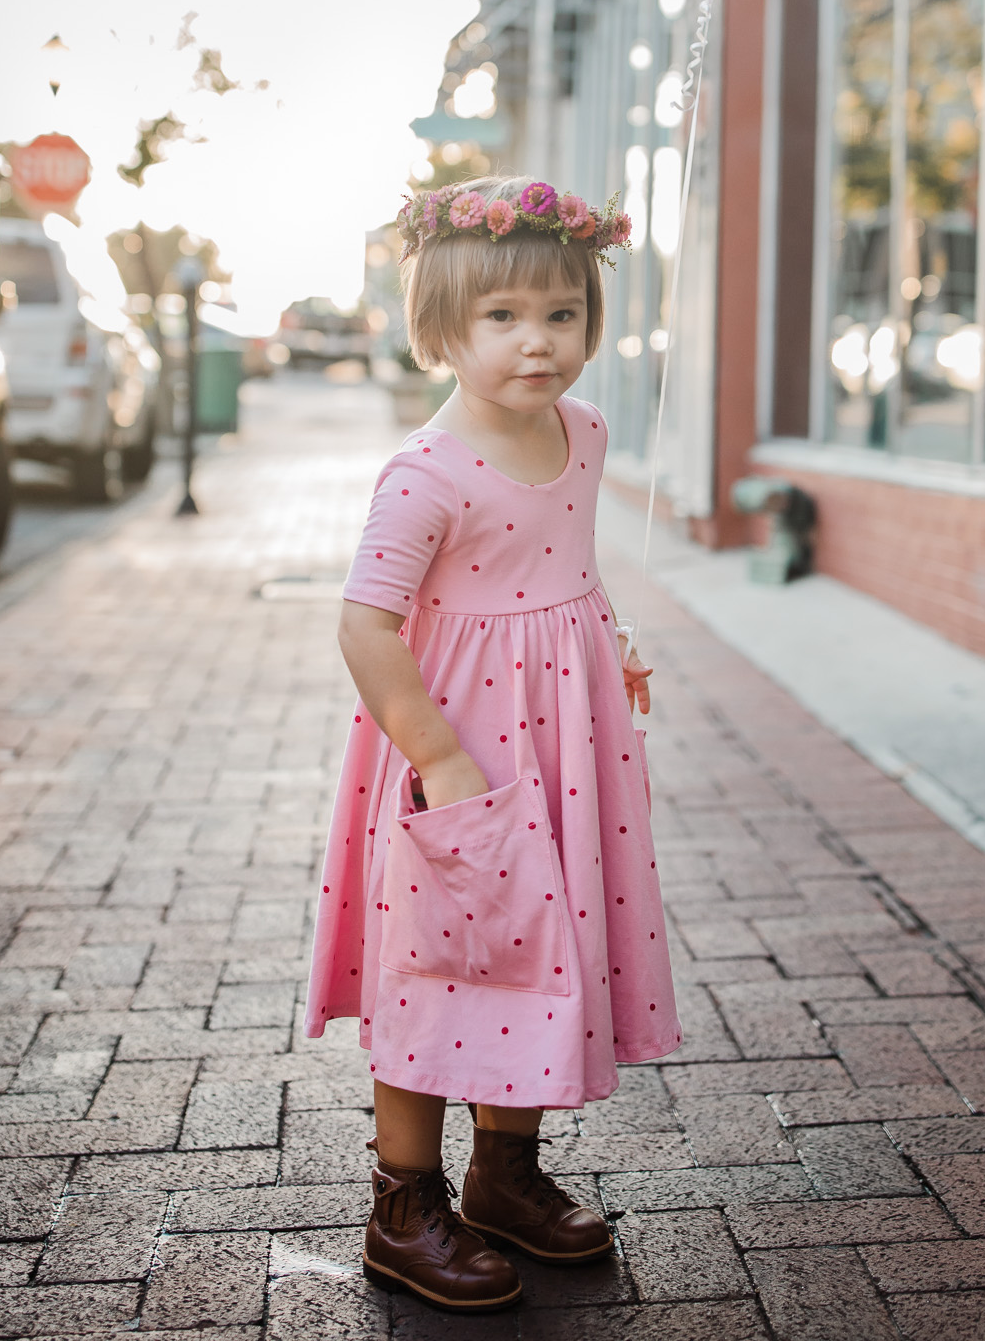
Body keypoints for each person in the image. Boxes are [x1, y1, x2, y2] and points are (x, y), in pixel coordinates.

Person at [304, 174, 681, 1312]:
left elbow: (566, 561)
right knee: (439, 958)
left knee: (537, 943)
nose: (538, 341)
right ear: (441, 330)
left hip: (565, 742)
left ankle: (503, 1173)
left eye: (561, 314)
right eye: (502, 318)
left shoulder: (585, 432)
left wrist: (604, 640)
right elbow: (365, 624)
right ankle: (402, 1200)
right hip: (458, 749)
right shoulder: (427, 473)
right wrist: (438, 752)